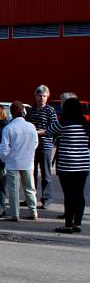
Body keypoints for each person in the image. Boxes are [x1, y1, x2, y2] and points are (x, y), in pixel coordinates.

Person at [45, 97, 89, 233]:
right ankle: (77, 224)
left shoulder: (63, 123)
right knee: (79, 194)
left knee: (69, 195)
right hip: (83, 164)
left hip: (67, 165)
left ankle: (68, 225)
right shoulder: (86, 124)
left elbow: (48, 131)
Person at [0, 101, 39, 222]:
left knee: (13, 189)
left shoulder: (9, 128)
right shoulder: (31, 126)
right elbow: (35, 143)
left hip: (13, 162)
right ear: (23, 111)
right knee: (30, 188)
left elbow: (4, 147)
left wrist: (4, 158)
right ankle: (33, 211)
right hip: (27, 161)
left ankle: (15, 213)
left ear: (11, 112)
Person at [26, 85, 58, 209]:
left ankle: (46, 198)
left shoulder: (50, 110)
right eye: (39, 96)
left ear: (47, 96)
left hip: (45, 145)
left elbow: (53, 128)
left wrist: (39, 132)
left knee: (46, 173)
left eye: (44, 96)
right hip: (32, 146)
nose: (42, 98)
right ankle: (31, 197)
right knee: (31, 172)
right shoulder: (31, 110)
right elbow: (27, 125)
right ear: (35, 96)